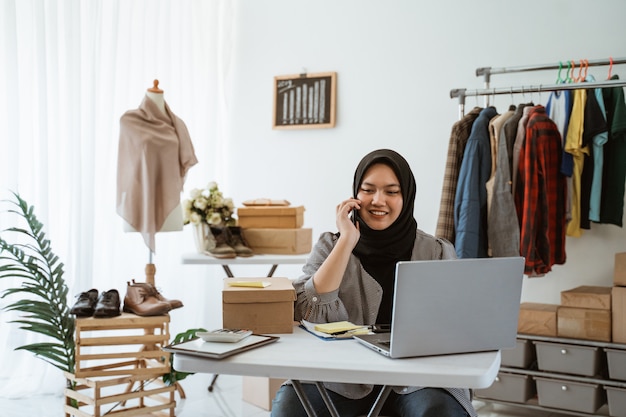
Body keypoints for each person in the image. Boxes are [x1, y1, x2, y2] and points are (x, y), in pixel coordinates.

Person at [271, 149, 475, 417]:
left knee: (439, 411)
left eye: (392, 191)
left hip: (418, 379)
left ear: (406, 197)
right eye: (368, 190)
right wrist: (345, 242)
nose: (378, 200)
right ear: (355, 195)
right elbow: (307, 312)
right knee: (290, 410)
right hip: (340, 378)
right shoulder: (328, 247)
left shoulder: (436, 251)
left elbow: (457, 325)